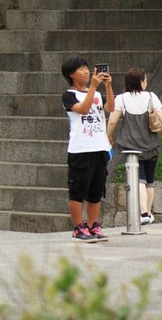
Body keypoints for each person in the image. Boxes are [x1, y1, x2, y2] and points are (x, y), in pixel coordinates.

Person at [108, 67, 162, 224]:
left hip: (131, 147)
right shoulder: (151, 97)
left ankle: (144, 213)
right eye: (145, 79)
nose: (146, 82)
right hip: (151, 145)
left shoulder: (121, 99)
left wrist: (108, 136)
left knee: (138, 179)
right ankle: (148, 213)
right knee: (150, 180)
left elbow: (112, 120)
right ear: (141, 81)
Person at [60, 54, 114, 241]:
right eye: (81, 69)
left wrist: (107, 85)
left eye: (86, 67)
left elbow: (110, 108)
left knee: (96, 191)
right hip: (80, 149)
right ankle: (78, 227)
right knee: (77, 191)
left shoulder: (97, 93)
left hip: (99, 148)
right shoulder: (69, 95)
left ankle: (93, 226)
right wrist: (92, 87)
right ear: (71, 75)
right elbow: (83, 109)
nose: (86, 71)